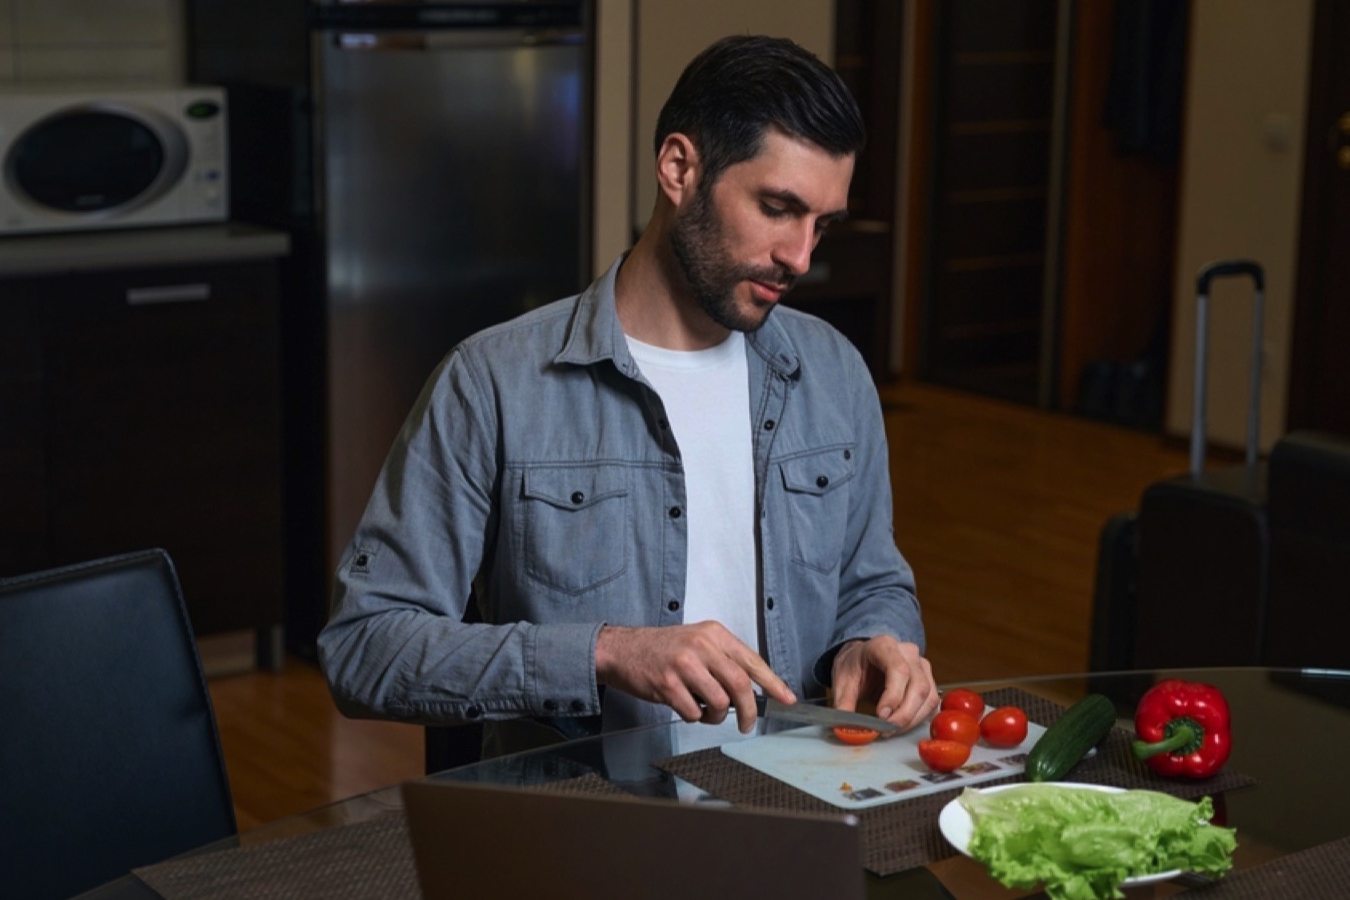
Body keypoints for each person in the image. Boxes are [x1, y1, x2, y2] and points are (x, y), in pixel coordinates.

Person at [318, 34, 938, 757]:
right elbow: (364, 647)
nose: (800, 257)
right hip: (592, 833)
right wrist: (605, 654)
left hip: (804, 803)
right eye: (777, 208)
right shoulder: (492, 383)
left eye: (821, 225)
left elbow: (874, 581)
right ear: (679, 168)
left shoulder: (833, 372)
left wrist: (871, 643)